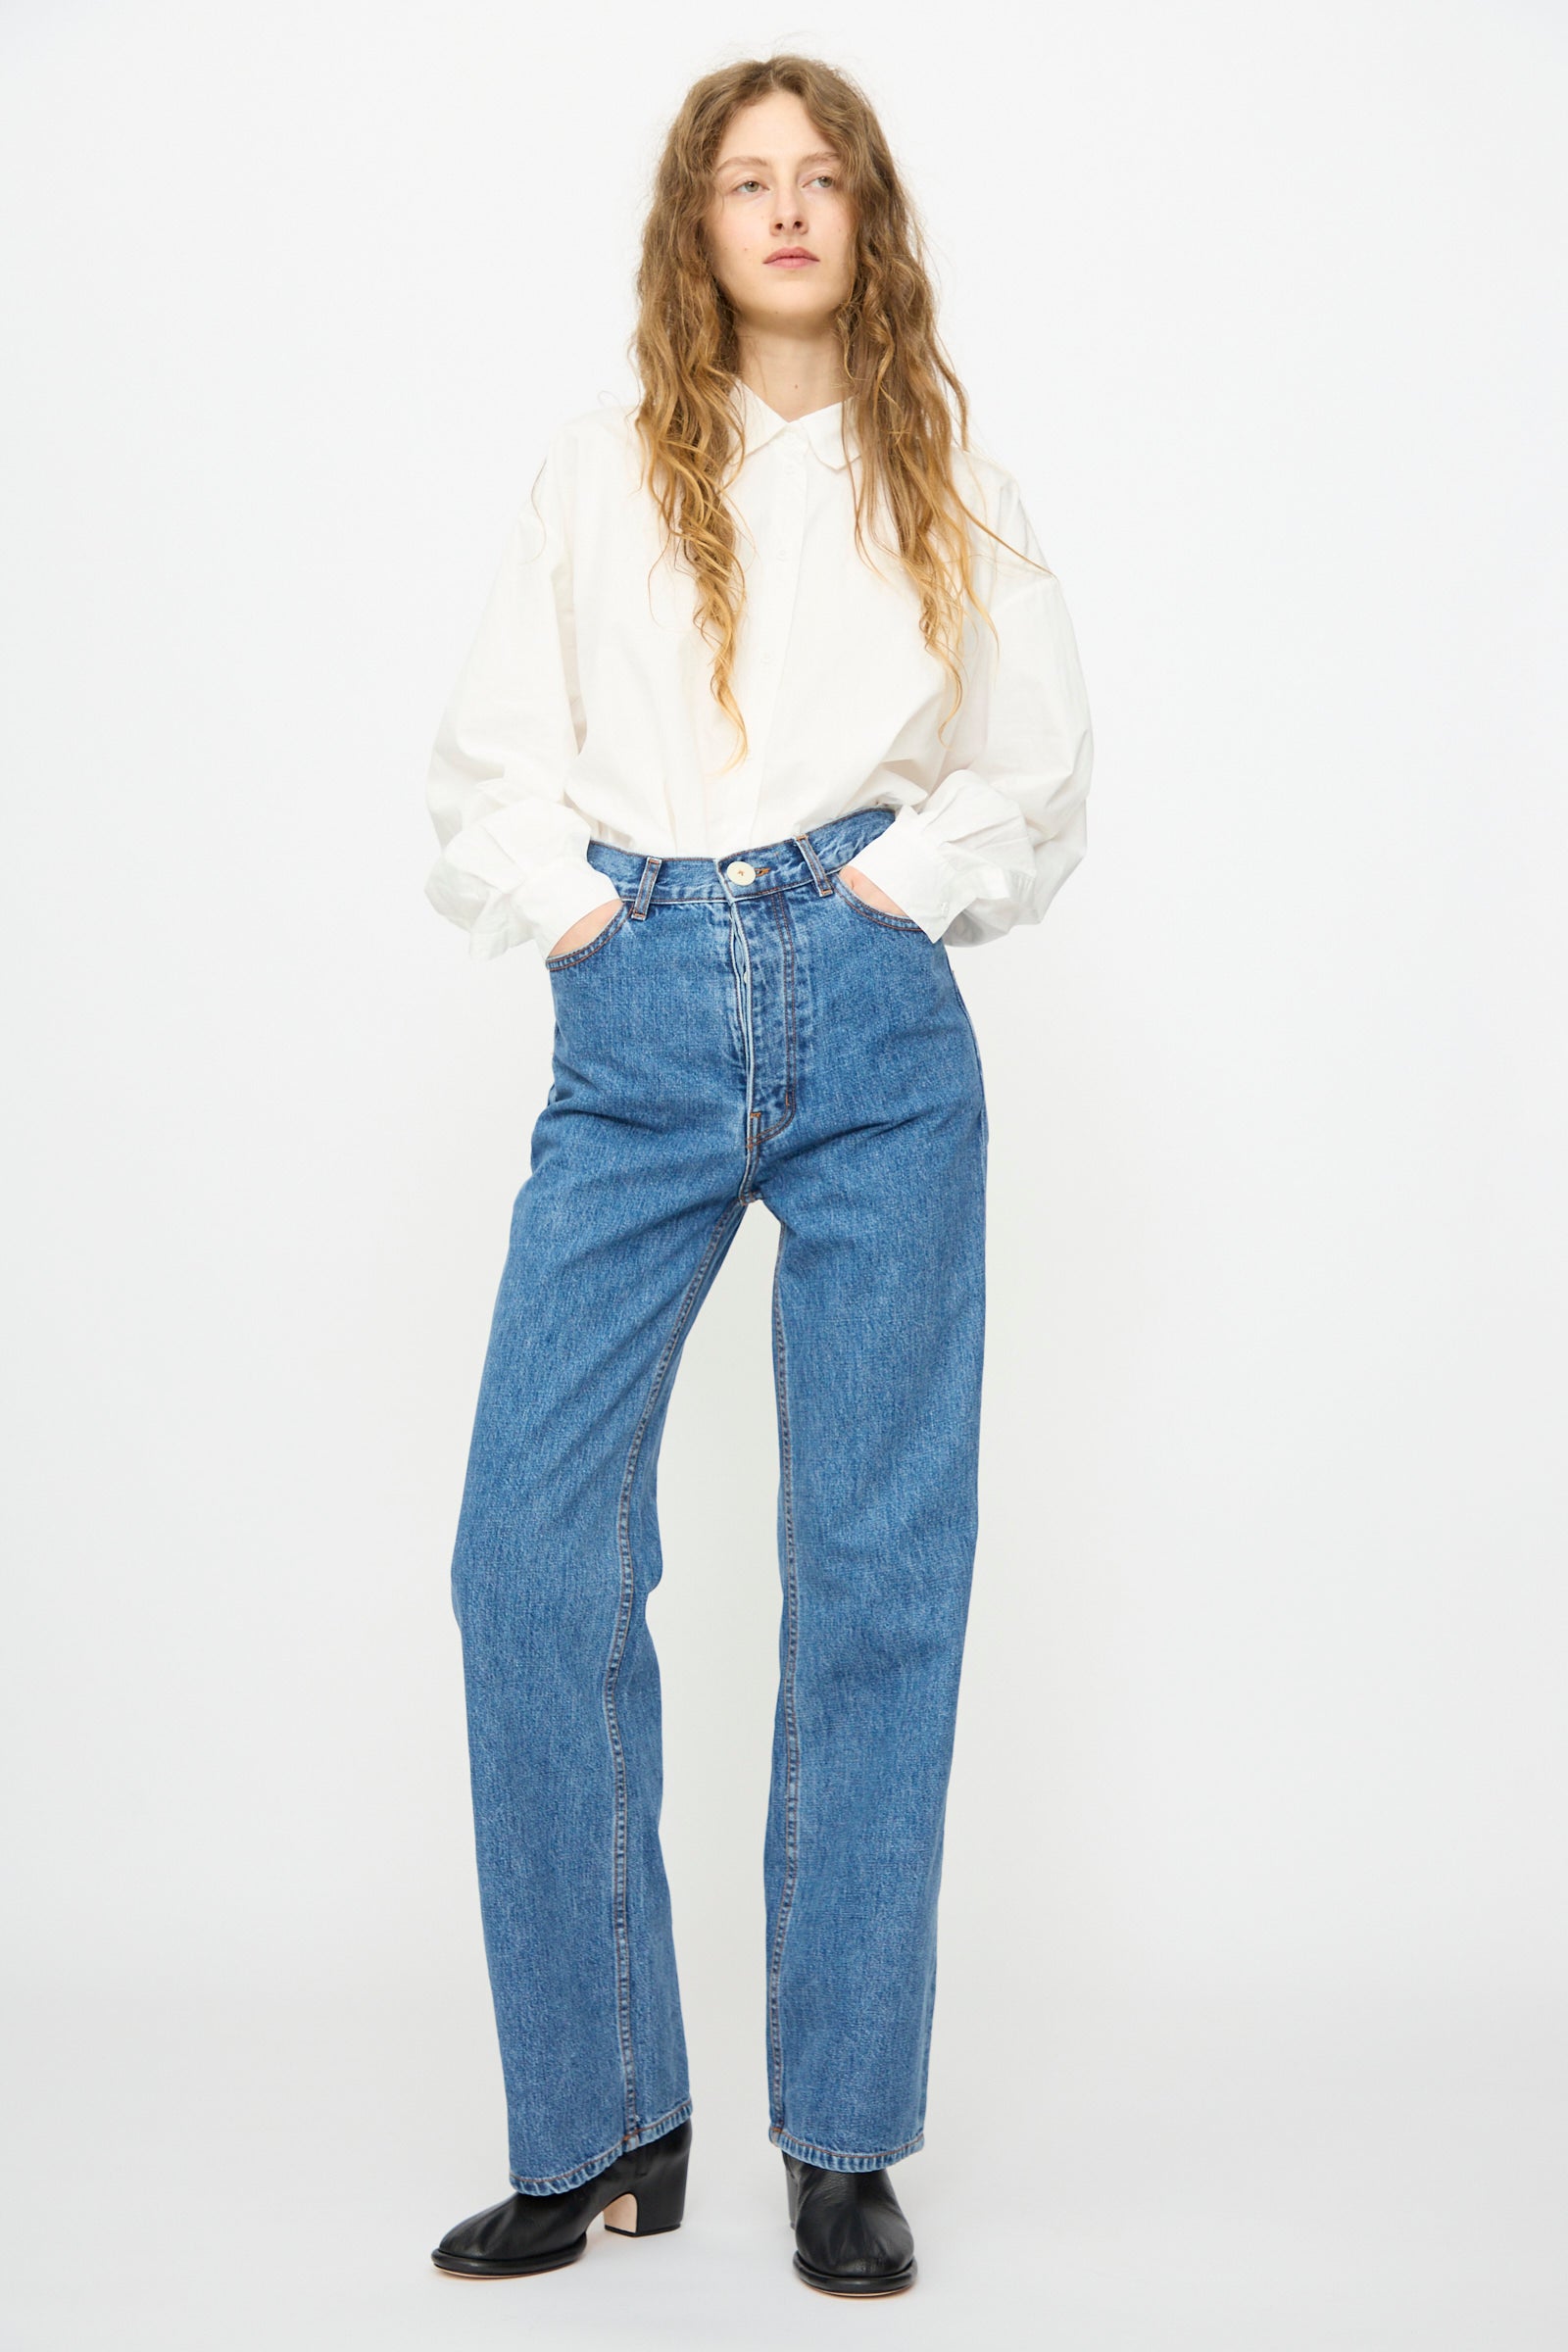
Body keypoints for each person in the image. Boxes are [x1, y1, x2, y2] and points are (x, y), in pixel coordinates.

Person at [420, 53, 1093, 2297]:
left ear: (862, 215)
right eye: (744, 179)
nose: (785, 210)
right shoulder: (603, 467)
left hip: (876, 1016)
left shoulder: (942, 467)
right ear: (691, 226)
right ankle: (607, 2118)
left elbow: (1036, 762)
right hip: (635, 1024)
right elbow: (488, 764)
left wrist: (899, 886)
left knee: (877, 1567)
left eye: (819, 179)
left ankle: (840, 2132)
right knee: (528, 1554)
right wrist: (590, 904)